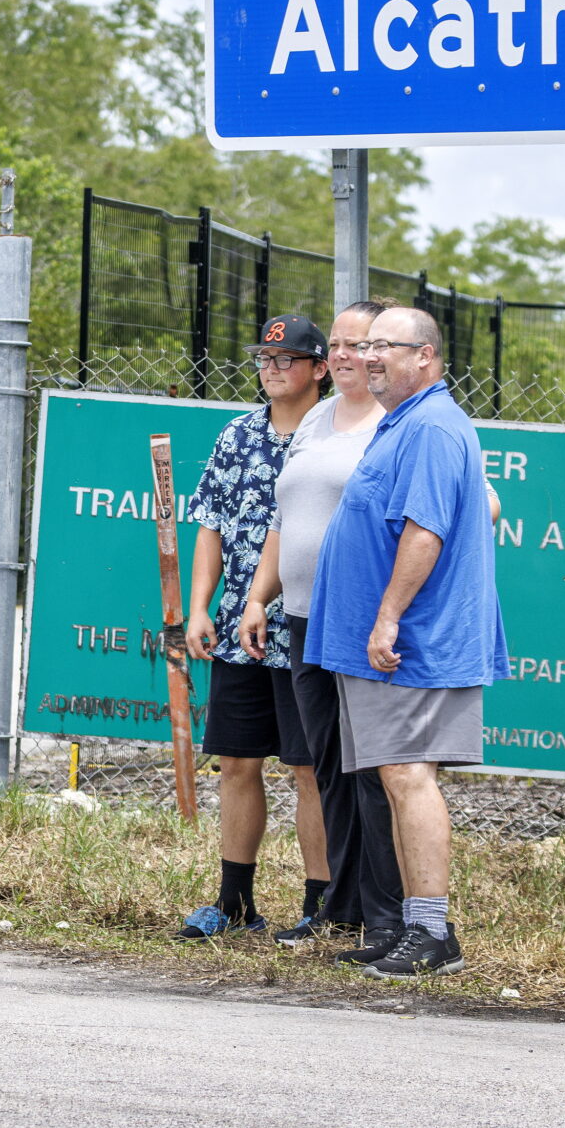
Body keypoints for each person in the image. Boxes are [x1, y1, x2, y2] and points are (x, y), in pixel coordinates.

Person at [301, 304, 509, 979]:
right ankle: (404, 927)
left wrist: (388, 615)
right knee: (396, 778)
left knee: (411, 777)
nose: (370, 357)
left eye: (385, 346)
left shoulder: (431, 427)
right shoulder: (405, 423)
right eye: (366, 347)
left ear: (426, 355)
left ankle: (431, 933)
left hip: (413, 643)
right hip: (387, 648)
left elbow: (426, 531)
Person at [240, 299, 404, 957]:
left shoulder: (396, 425)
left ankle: (386, 913)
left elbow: (470, 498)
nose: (340, 354)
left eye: (354, 343)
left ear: (384, 351)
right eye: (334, 343)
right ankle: (341, 907)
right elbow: (288, 520)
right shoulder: (316, 418)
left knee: (369, 770)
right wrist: (260, 598)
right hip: (303, 616)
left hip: (358, 620)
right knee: (328, 766)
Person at [173, 313, 331, 939]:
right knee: (237, 763)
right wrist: (200, 606)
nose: (272, 369)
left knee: (308, 768)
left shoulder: (331, 439)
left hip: (301, 626)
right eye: (264, 360)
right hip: (238, 629)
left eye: (286, 359)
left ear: (320, 368)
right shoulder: (236, 435)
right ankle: (235, 902)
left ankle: (321, 905)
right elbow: (210, 524)